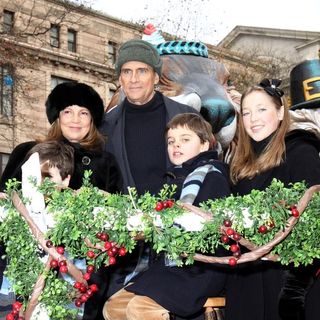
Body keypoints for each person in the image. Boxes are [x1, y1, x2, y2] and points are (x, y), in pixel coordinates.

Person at [0, 81, 123, 320]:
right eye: (68, 111)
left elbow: (115, 216)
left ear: (92, 120)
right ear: (57, 116)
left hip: (81, 268)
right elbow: (8, 198)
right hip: (30, 261)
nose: (75, 119)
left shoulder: (105, 162)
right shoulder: (30, 151)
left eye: (83, 112)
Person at [103, 113, 231, 320]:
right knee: (114, 307)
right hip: (168, 268)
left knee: (140, 308)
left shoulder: (213, 175)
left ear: (204, 144)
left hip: (200, 268)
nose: (176, 145)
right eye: (171, 141)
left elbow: (208, 229)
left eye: (185, 139)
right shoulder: (173, 180)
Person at [99, 39, 198, 298]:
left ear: (155, 76)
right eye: (126, 71)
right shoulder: (105, 126)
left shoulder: (187, 118)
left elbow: (207, 169)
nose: (133, 79)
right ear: (120, 78)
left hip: (178, 242)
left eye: (141, 71)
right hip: (127, 247)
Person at [225, 78, 320, 320]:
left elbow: (312, 225)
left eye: (261, 109)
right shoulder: (239, 167)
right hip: (246, 281)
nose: (253, 119)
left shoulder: (300, 152)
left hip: (287, 282)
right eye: (246, 112)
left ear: (280, 112)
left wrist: (293, 292)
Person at [0, 140, 75, 316]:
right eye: (34, 177)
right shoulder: (17, 208)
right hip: (15, 288)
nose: (39, 183)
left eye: (47, 176)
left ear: (66, 180)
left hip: (50, 287)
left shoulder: (66, 212)